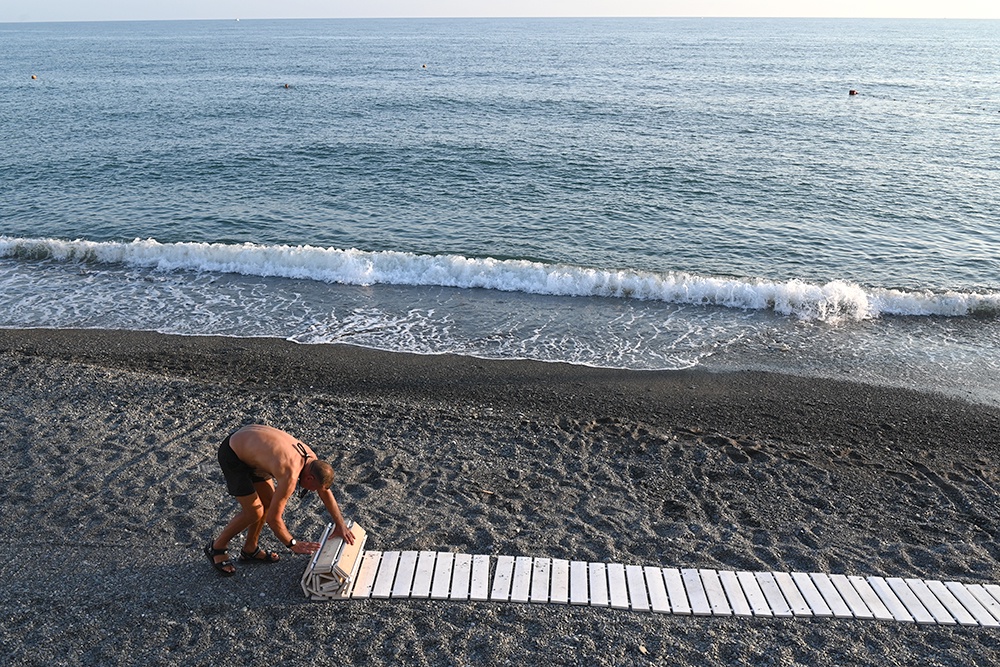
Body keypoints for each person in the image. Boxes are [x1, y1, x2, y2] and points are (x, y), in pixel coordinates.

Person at [205, 424, 355, 576]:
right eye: (313, 488)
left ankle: (250, 549)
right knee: (254, 512)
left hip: (252, 448)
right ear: (309, 478)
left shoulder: (312, 460)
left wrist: (340, 524)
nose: (313, 491)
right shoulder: (290, 473)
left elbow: (325, 492)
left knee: (268, 503)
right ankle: (217, 547)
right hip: (233, 454)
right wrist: (292, 543)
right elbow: (274, 519)